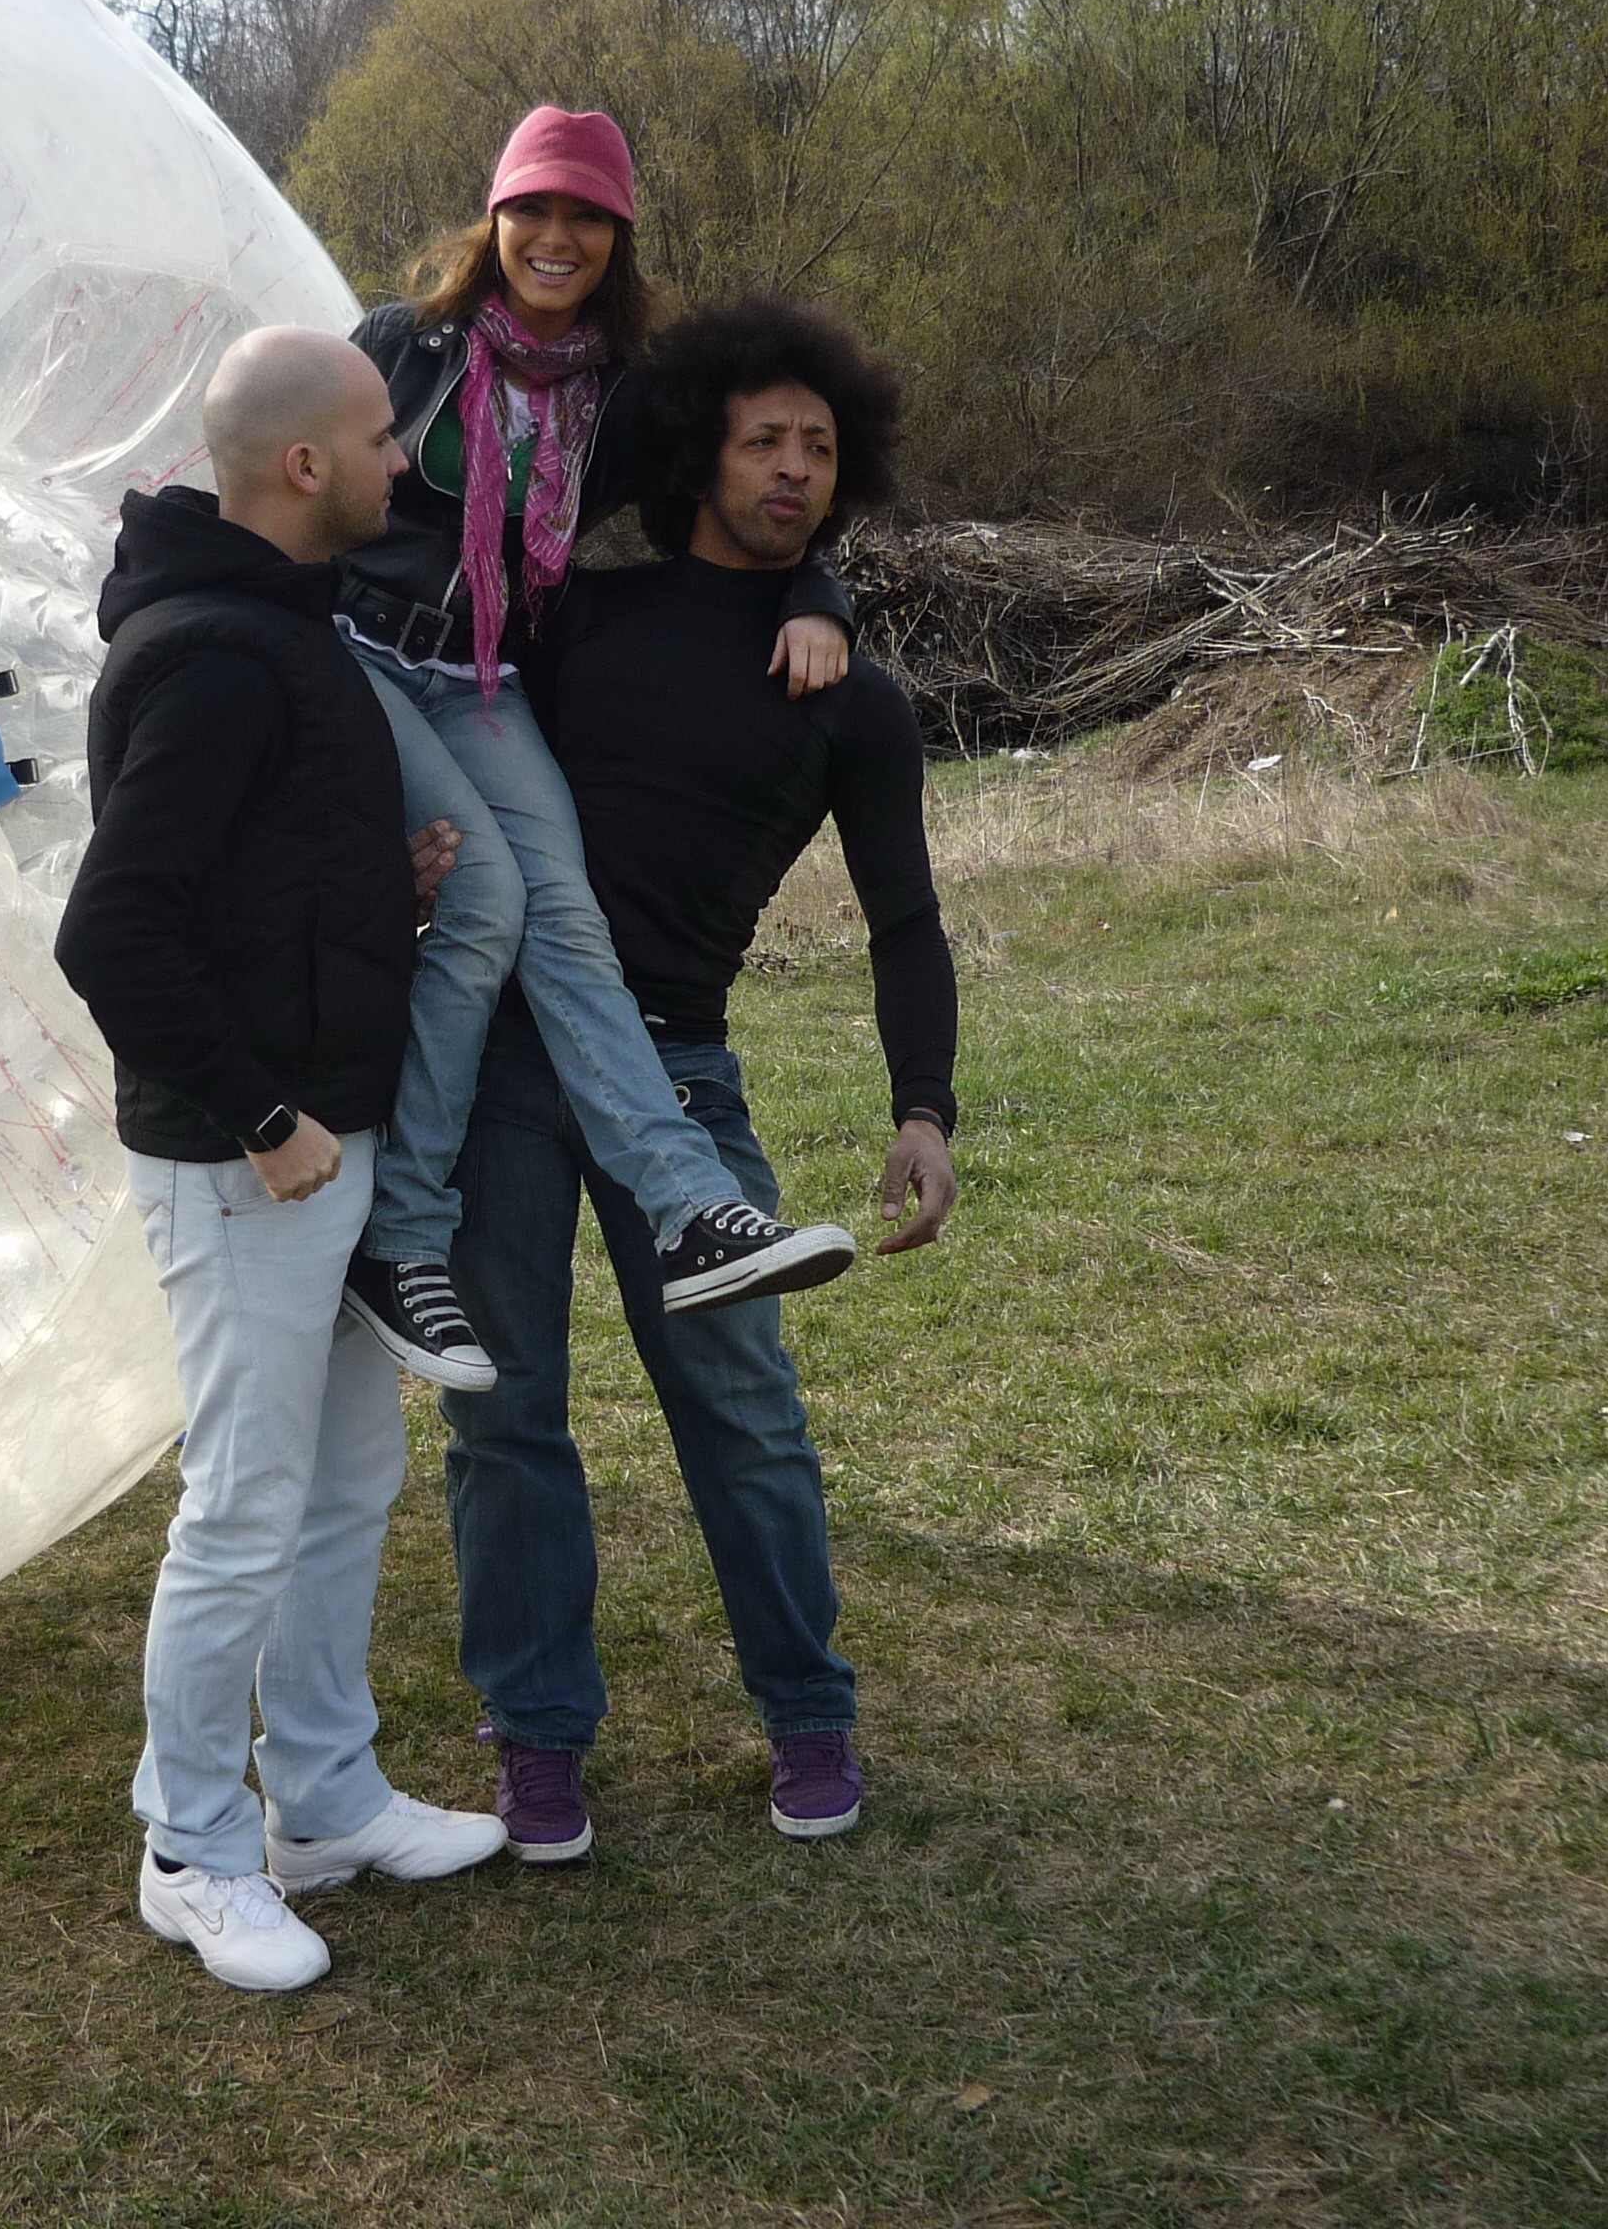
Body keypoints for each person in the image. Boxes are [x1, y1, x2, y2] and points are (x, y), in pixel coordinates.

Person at [437, 295, 961, 1861]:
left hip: (680, 1082)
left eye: (816, 449)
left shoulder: (847, 694)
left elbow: (908, 917)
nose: (791, 468)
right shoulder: (581, 619)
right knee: (505, 1413)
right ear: (702, 452)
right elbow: (473, 572)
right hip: (516, 1066)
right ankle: (539, 1743)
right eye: (760, 442)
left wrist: (923, 1108)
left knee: (743, 1413)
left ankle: (809, 1715)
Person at [53, 326, 507, 1994]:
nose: (409, 464)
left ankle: (323, 1801)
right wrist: (260, 1115)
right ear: (304, 464)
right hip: (250, 1163)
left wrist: (378, 894)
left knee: (343, 1488)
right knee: (244, 1507)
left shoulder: (282, 635)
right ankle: (193, 1846)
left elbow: (237, 892)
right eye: (386, 438)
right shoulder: (215, 653)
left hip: (324, 1146)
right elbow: (113, 933)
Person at [331, 106, 861, 1398]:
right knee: (488, 901)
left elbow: (750, 497)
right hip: (353, 649)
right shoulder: (405, 347)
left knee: (565, 915)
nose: (555, 237)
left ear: (615, 239)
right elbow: (288, 478)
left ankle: (690, 1211)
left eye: (585, 217)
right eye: (536, 210)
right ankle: (400, 1242)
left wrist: (820, 596)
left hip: (481, 678)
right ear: (495, 217)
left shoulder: (625, 391)